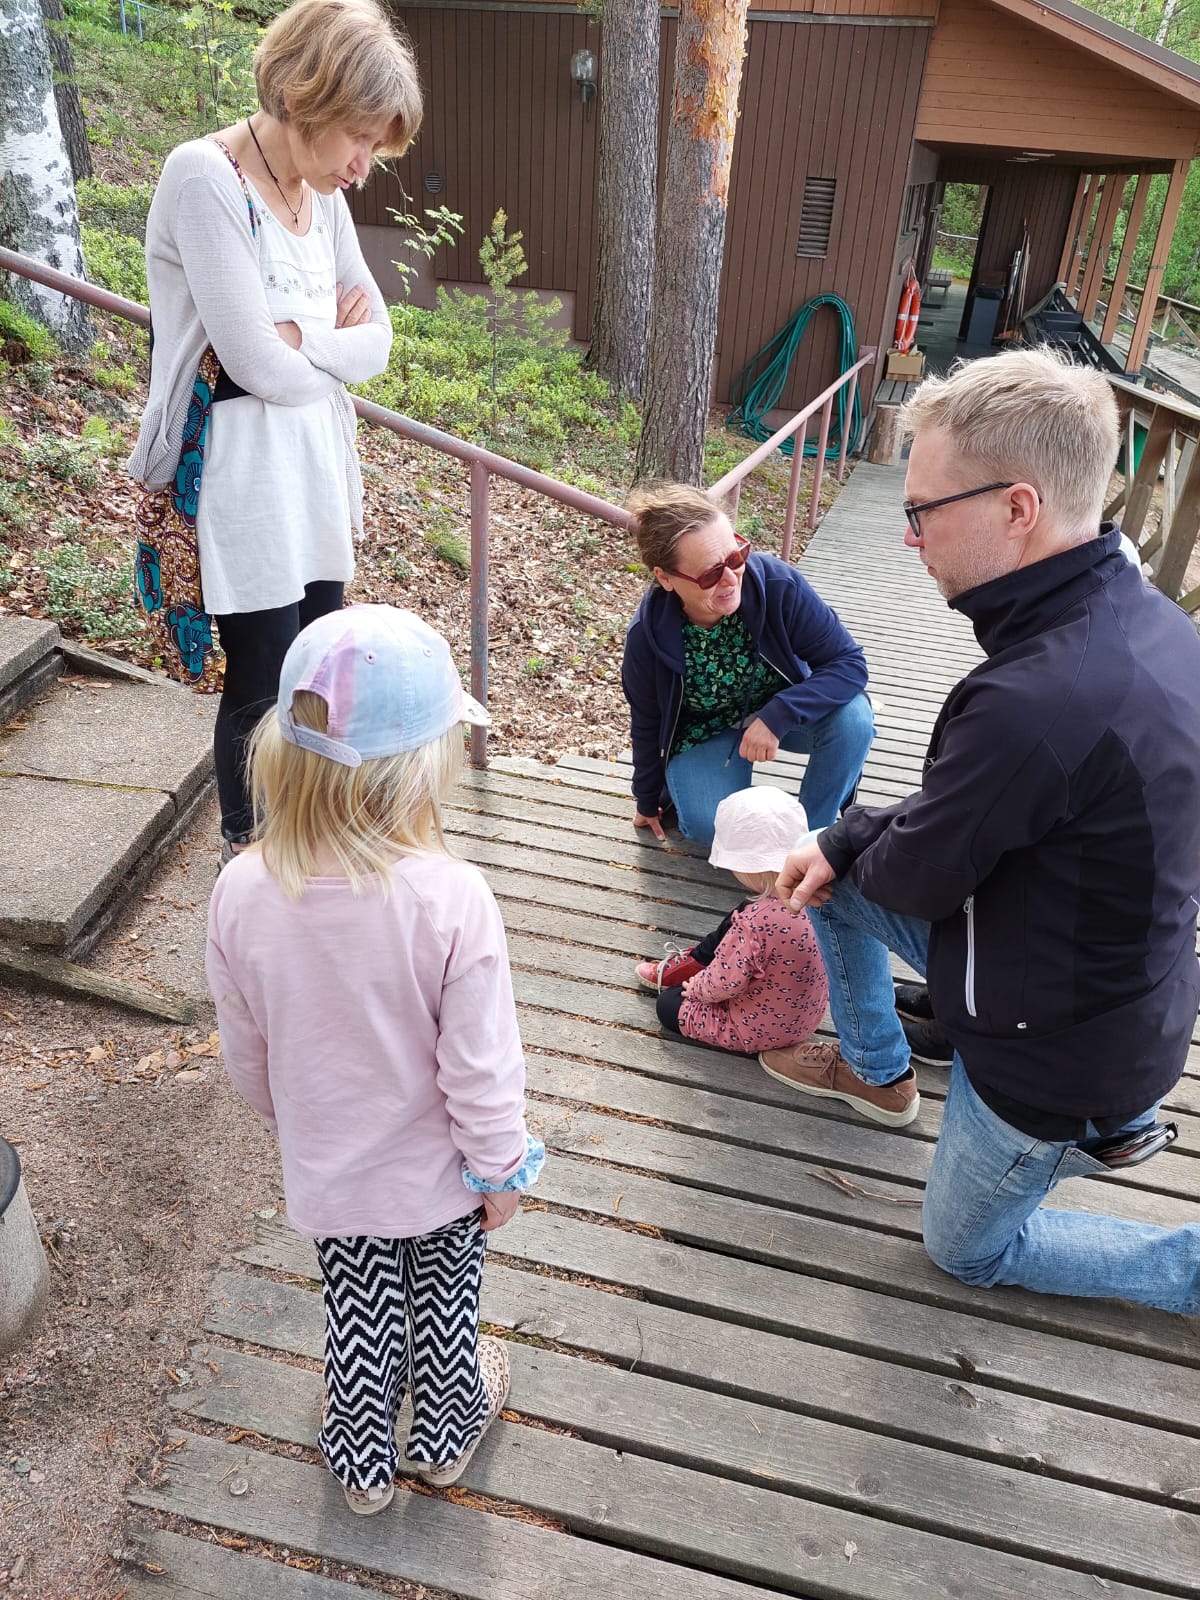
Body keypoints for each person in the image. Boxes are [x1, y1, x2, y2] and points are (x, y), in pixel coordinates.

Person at [762, 346, 1200, 1314]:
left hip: (1064, 1058)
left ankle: (1189, 1266)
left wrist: (846, 840)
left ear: (1018, 508)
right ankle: (883, 1072)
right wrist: (841, 840)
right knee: (833, 860)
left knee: (962, 1247)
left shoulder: (1031, 699)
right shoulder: (1156, 623)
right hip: (1110, 979)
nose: (909, 537)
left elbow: (916, 874)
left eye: (922, 511)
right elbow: (960, 821)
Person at [206, 605, 545, 1513]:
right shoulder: (452, 898)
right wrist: (499, 1170)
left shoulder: (242, 889)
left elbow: (246, 1049)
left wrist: (303, 1114)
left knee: (356, 1316)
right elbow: (482, 1069)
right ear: (423, 767)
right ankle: (441, 1438)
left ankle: (359, 1470)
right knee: (443, 1311)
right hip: (439, 1179)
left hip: (330, 1169)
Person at [128, 0, 421, 862]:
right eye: (360, 138)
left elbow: (380, 341)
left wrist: (305, 341)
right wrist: (317, 346)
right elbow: (253, 365)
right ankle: (248, 861)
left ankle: (307, 844)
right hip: (240, 475)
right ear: (307, 96)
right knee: (261, 678)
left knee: (319, 666)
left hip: (312, 465)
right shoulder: (204, 176)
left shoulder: (320, 197)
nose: (366, 166)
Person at [621, 484, 875, 849]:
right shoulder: (647, 637)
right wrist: (646, 799)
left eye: (736, 556)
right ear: (666, 579)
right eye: (710, 574)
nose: (731, 578)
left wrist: (777, 715)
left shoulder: (777, 584)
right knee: (709, 828)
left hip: (785, 714)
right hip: (706, 730)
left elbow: (848, 663)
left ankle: (813, 841)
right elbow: (647, 721)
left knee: (854, 718)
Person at [638, 786, 829, 1056]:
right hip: (806, 1018)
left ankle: (691, 971)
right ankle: (697, 962)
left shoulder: (754, 922)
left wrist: (697, 988)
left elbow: (726, 983)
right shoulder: (821, 896)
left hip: (756, 1029)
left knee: (668, 1005)